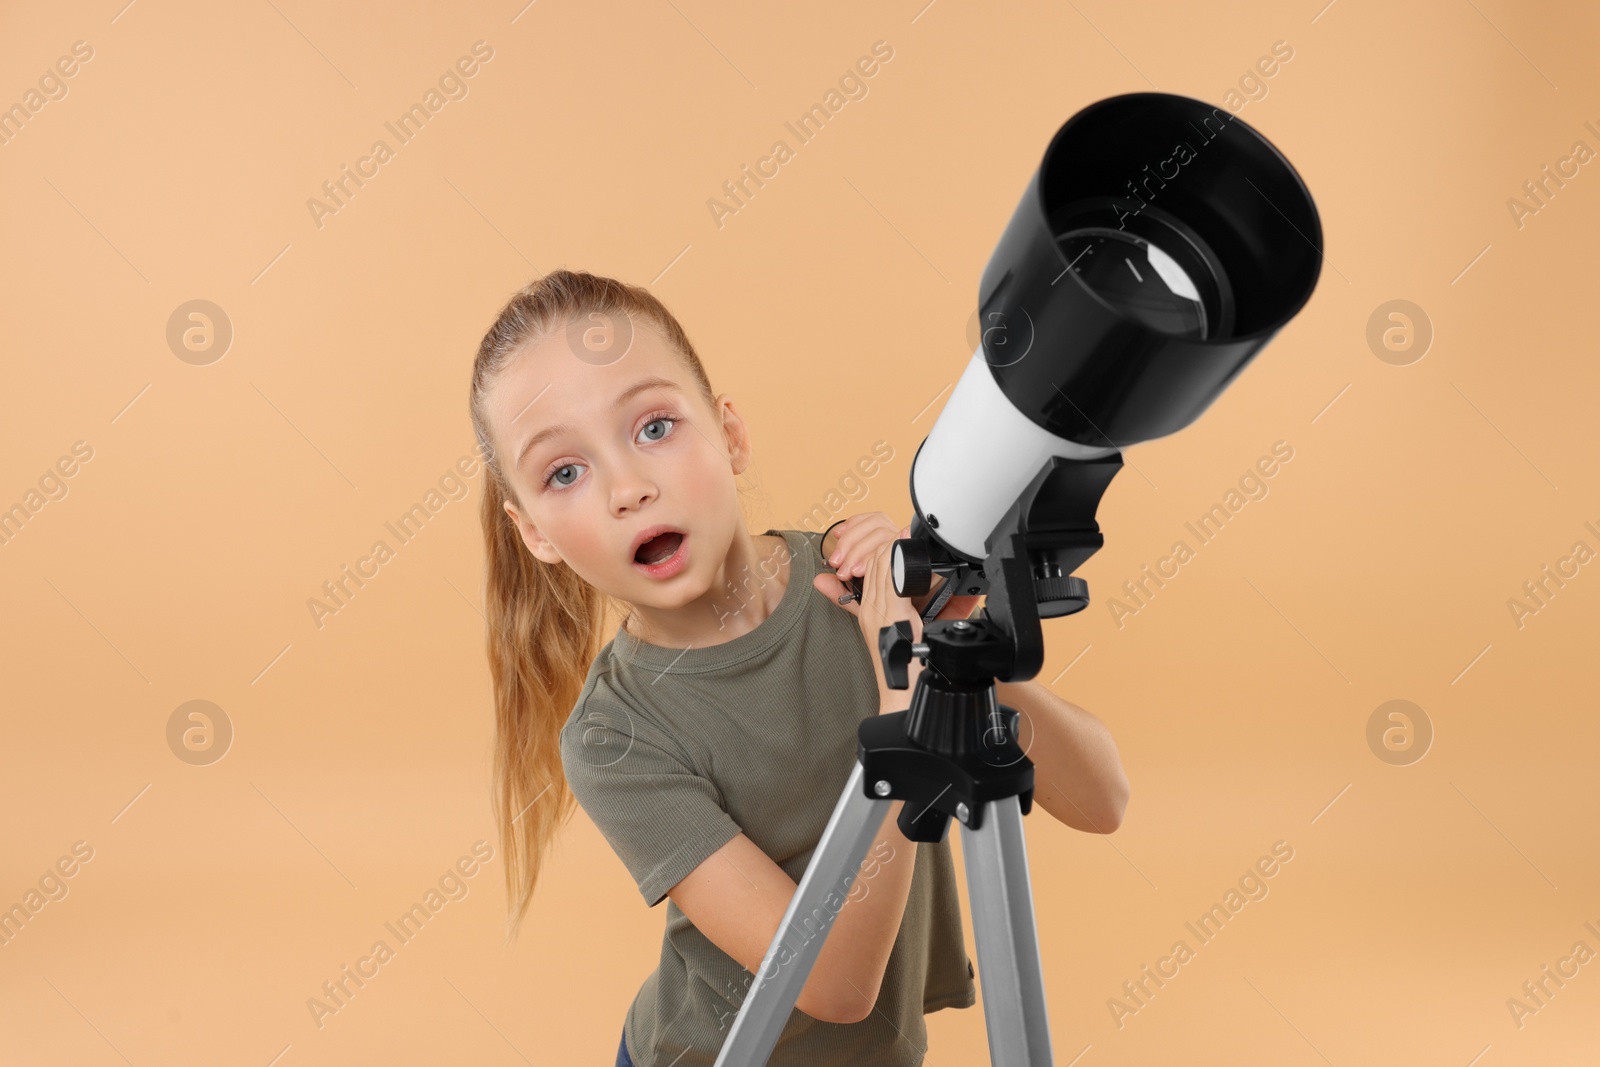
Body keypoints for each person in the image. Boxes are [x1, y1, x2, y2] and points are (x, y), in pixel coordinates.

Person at [467, 269, 1130, 1066]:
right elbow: (831, 984)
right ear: (534, 532)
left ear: (730, 435)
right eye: (564, 472)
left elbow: (1101, 799)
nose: (629, 488)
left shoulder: (854, 589)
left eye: (653, 428)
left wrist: (950, 641)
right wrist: (903, 693)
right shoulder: (614, 736)